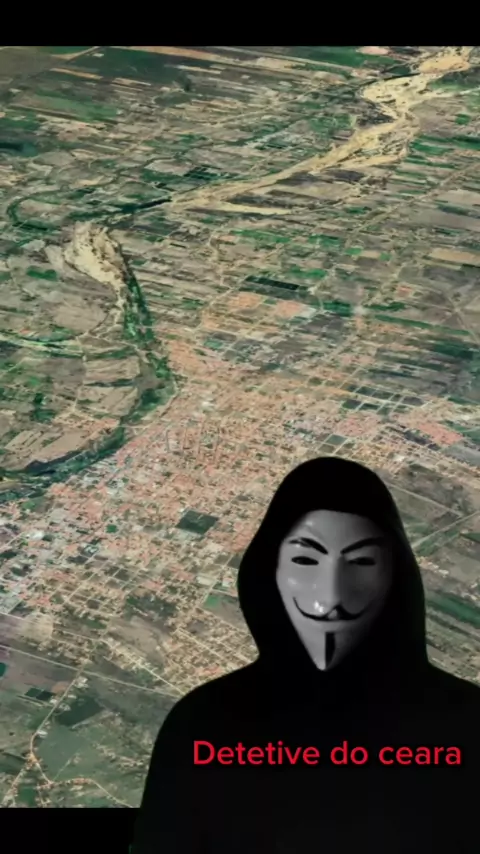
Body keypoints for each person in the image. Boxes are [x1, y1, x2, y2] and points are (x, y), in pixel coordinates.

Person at [132, 457, 479, 853]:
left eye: (361, 561)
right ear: (269, 569)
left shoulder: (204, 722)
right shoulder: (202, 724)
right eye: (305, 560)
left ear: (396, 576)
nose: (330, 597)